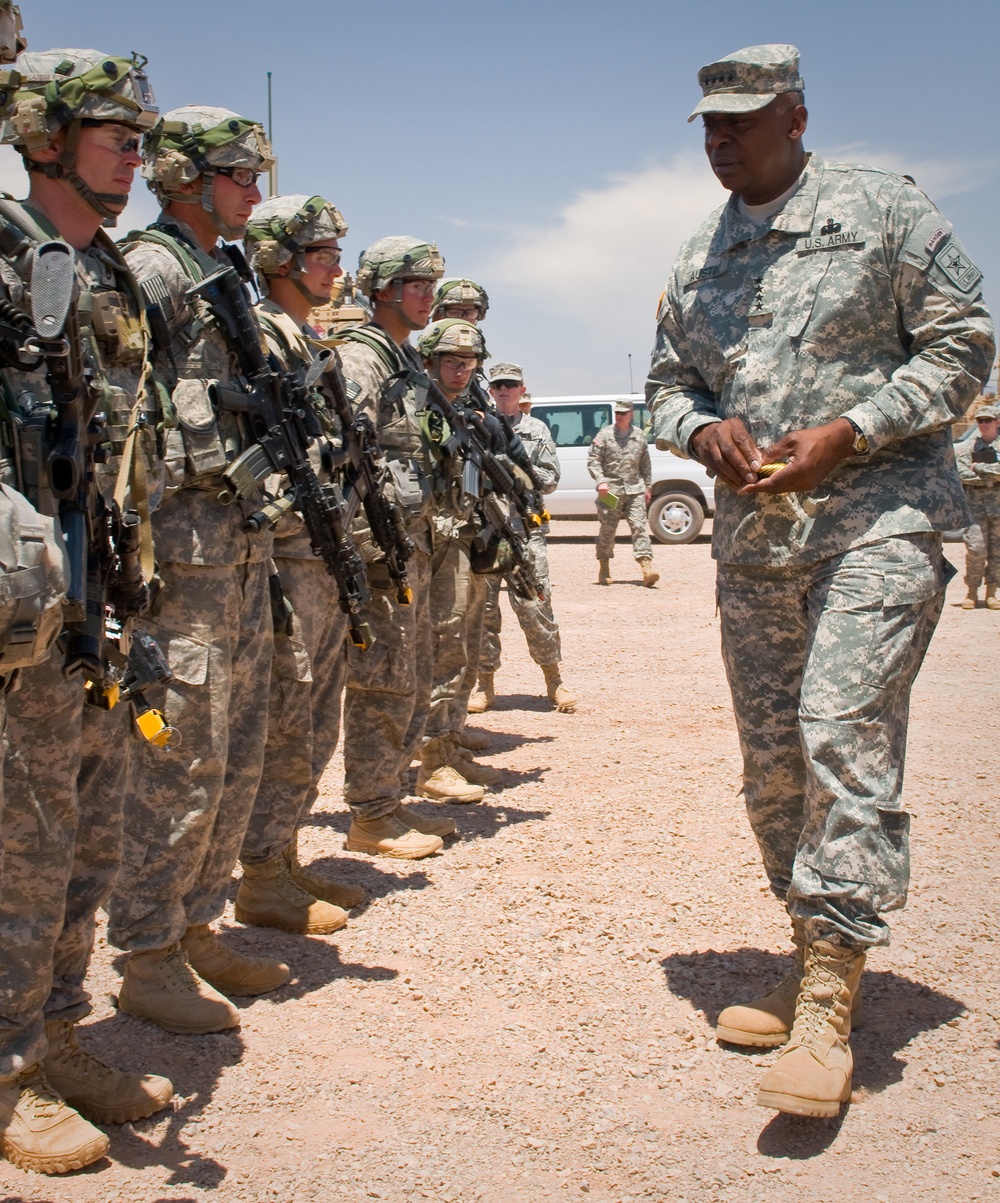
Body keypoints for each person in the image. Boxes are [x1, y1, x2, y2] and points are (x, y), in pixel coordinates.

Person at [647, 44, 993, 1118]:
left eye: (742, 121)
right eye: (708, 125)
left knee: (839, 729)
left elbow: (962, 346)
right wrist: (703, 431)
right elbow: (664, 386)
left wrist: (851, 431)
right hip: (753, 547)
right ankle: (808, 947)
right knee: (773, 768)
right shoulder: (697, 257)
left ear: (795, 116)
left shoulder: (880, 210)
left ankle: (832, 995)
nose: (720, 140)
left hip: (876, 523)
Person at [0, 47, 175, 1175]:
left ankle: (59, 1036)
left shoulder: (108, 274)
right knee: (20, 849)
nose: (137, 153)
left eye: (143, 136)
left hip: (101, 599)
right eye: (118, 131)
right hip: (18, 622)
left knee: (89, 841)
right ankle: (10, 1073)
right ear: (47, 138)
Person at [109, 106, 288, 1036]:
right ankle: (145, 951)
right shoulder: (153, 270)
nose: (254, 191)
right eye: (238, 173)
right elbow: (120, 415)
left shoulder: (227, 271)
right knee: (176, 755)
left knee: (235, 748)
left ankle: (195, 924)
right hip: (178, 559)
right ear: (185, 176)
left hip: (238, 550)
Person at [235, 193, 366, 934]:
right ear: (282, 261)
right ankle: (260, 873)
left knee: (313, 719)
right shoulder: (259, 335)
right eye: (322, 256)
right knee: (286, 719)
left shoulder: (305, 339)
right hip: (285, 558)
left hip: (318, 555)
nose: (335, 270)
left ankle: (282, 857)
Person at [336, 236, 458, 858]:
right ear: (381, 289)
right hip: (377, 547)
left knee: (409, 671)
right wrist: (368, 547)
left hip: (409, 538)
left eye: (431, 286)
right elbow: (340, 459)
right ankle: (371, 813)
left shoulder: (403, 359)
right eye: (416, 285)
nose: (428, 297)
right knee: (381, 677)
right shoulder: (362, 361)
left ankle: (392, 798)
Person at [415, 318, 499, 803]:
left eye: (468, 363)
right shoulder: (419, 403)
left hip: (466, 533)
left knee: (465, 640)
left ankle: (449, 746)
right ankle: (431, 761)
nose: (461, 370)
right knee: (444, 643)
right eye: (452, 361)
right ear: (432, 362)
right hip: (435, 538)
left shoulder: (473, 406)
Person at [469, 362, 575, 713]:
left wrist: (515, 474)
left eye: (510, 385)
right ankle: (484, 686)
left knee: (535, 606)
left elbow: (551, 477)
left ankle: (554, 680)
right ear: (490, 390)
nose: (503, 390)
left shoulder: (536, 430)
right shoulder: (476, 427)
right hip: (485, 531)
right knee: (482, 612)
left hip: (526, 533)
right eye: (498, 385)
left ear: (521, 389)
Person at [588, 398, 658, 587]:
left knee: (639, 527)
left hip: (635, 490)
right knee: (608, 530)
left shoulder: (639, 437)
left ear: (631, 414)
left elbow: (645, 465)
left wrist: (648, 486)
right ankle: (604, 566)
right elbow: (593, 460)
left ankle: (646, 568)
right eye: (617, 413)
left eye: (622, 413)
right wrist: (601, 481)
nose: (618, 416)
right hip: (610, 493)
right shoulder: (604, 435)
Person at [956, 404, 1000, 610]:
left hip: (998, 509)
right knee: (976, 549)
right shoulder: (968, 447)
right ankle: (972, 591)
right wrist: (990, 478)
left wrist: (979, 468)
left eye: (987, 420)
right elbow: (961, 473)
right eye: (980, 421)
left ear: (996, 422)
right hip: (975, 509)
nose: (983, 424)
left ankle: (992, 592)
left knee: (997, 552)